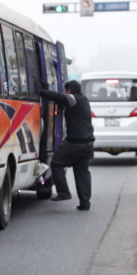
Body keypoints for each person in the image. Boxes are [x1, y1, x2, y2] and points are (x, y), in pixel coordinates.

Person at [40, 80, 95, 211]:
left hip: (75, 143)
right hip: (88, 144)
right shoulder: (85, 100)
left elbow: (60, 97)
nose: (65, 93)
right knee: (82, 173)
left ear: (69, 90)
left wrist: (42, 92)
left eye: (66, 91)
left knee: (56, 163)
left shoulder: (74, 98)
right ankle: (85, 203)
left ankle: (64, 192)